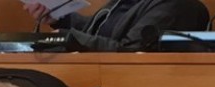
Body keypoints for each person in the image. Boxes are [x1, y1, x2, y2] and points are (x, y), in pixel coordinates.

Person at [24, 0, 194, 52]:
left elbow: (130, 51)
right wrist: (58, 18)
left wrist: (68, 37)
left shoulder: (171, 4)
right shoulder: (122, 2)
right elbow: (94, 30)